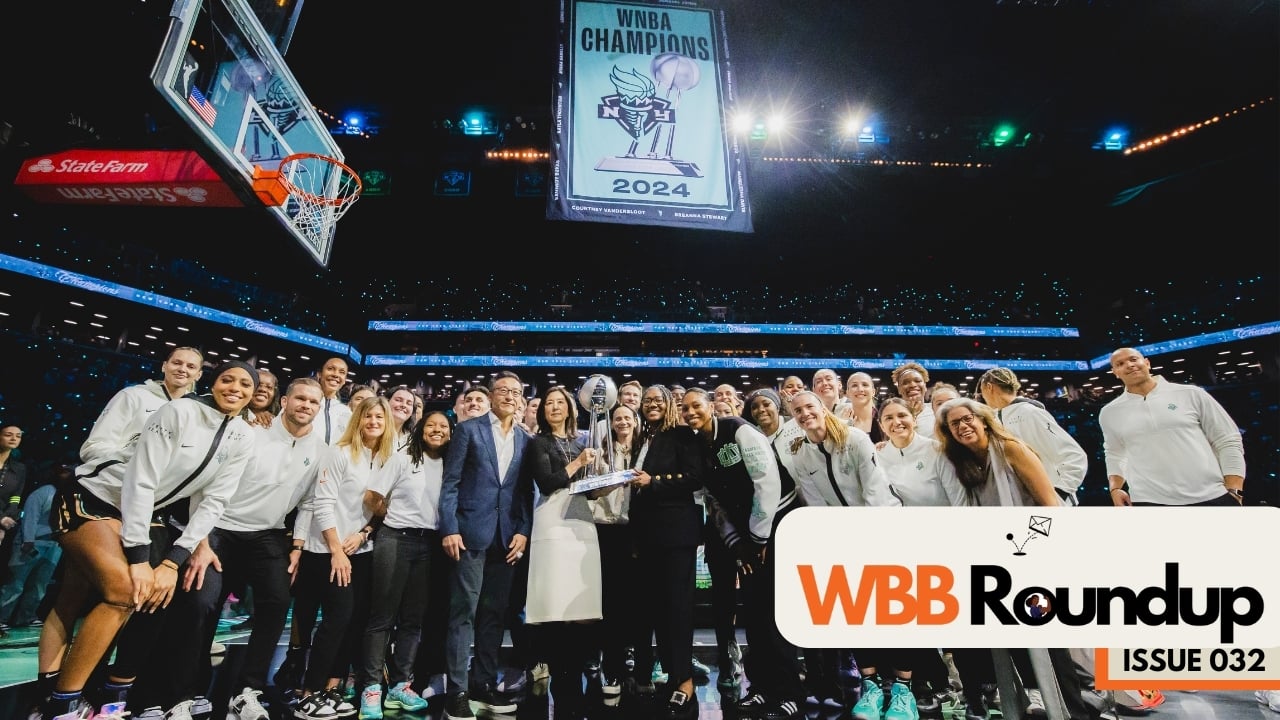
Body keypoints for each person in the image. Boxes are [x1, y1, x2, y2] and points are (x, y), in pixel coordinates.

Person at [37, 361, 258, 719]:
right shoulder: (178, 411)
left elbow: (214, 500)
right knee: (124, 591)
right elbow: (140, 481)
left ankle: (96, 699)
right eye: (227, 379)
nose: (235, 387)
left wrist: (173, 561)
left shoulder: (245, 435)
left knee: (86, 594)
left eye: (245, 384)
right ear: (212, 383)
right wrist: (140, 558)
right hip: (94, 498)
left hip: (140, 512)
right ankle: (62, 706)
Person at [151, 377, 328, 720]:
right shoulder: (249, 433)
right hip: (219, 529)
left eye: (313, 402)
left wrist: (297, 546)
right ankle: (182, 696)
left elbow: (308, 503)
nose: (306, 406)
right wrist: (200, 539)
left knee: (277, 601)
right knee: (201, 603)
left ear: (319, 408)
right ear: (285, 401)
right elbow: (207, 487)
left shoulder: (320, 450)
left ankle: (247, 691)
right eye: (300, 399)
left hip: (267, 534)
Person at [682, 388, 805, 720]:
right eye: (685, 408)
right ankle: (762, 688)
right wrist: (739, 544)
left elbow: (767, 483)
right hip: (749, 537)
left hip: (776, 525)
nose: (691, 412)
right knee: (753, 612)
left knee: (775, 614)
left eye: (697, 405)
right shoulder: (698, 446)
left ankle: (790, 694)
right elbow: (715, 502)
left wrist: (759, 540)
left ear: (711, 407)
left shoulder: (739, 429)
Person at [438, 371, 534, 720]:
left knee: (493, 616)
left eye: (516, 391)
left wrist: (523, 531)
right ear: (491, 395)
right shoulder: (468, 430)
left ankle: (483, 684)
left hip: (507, 539)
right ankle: (457, 691)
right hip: (468, 535)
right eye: (504, 390)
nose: (510, 396)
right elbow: (450, 484)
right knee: (463, 613)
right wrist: (449, 527)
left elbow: (524, 493)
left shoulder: (525, 439)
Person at [290, 395, 394, 715]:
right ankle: (309, 691)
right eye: (368, 416)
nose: (373, 422)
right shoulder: (339, 452)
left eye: (379, 417)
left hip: (362, 549)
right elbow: (322, 503)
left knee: (354, 622)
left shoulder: (386, 458)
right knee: (337, 618)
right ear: (358, 420)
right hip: (327, 550)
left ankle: (333, 688)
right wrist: (336, 550)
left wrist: (363, 534)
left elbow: (381, 511)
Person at [354, 410, 453, 719]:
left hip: (430, 544)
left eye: (444, 427)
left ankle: (400, 685)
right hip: (396, 539)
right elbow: (373, 497)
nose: (437, 430)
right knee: (382, 615)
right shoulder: (401, 458)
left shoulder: (449, 464)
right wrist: (394, 520)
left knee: (413, 619)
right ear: (421, 429)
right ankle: (371, 688)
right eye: (432, 425)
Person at [522, 385, 602, 720]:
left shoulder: (585, 440)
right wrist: (580, 463)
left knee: (582, 604)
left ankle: (578, 667)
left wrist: (602, 474)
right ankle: (557, 675)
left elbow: (592, 490)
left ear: (570, 408)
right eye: (549, 403)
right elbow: (547, 481)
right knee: (554, 603)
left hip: (583, 522)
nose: (555, 407)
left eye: (560, 402)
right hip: (552, 523)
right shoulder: (539, 442)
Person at [628, 384, 703, 720]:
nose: (651, 405)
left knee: (678, 610)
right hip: (647, 537)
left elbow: (694, 477)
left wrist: (654, 481)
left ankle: (685, 682)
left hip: (675, 534)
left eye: (658, 400)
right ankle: (670, 675)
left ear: (669, 404)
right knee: (657, 611)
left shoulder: (683, 435)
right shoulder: (643, 438)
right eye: (647, 401)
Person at [1099, 347, 1246, 506]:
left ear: (1147, 363)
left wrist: (1235, 489)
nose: (1129, 365)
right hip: (1148, 501)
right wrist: (1115, 489)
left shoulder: (1191, 393)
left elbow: (1227, 440)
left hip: (1211, 495)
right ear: (1115, 372)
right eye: (1120, 364)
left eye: (1133, 359)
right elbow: (1114, 453)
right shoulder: (1109, 412)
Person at [977, 368, 1088, 505]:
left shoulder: (1030, 413)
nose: (982, 397)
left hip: (1049, 502)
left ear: (989, 387)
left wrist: (1061, 492)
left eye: (981, 391)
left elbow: (1074, 455)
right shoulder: (993, 418)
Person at [0, 463, 62, 631]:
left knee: (39, 585)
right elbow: (30, 517)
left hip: (54, 545)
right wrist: (28, 541)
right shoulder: (43, 493)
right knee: (16, 583)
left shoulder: (66, 494)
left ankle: (26, 617)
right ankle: (2, 617)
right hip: (32, 543)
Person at [891, 362, 935, 439]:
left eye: (918, 381)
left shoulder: (936, 411)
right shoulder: (891, 415)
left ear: (925, 386)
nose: (912, 385)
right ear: (899, 389)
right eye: (905, 382)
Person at [317, 357, 353, 445]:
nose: (336, 375)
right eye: (330, 369)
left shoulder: (346, 412)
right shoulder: (304, 403)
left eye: (342, 372)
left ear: (344, 380)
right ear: (319, 374)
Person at [845, 372, 883, 443]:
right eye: (854, 385)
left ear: (873, 392)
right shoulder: (839, 422)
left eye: (865, 385)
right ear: (847, 393)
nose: (860, 389)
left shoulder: (885, 420)